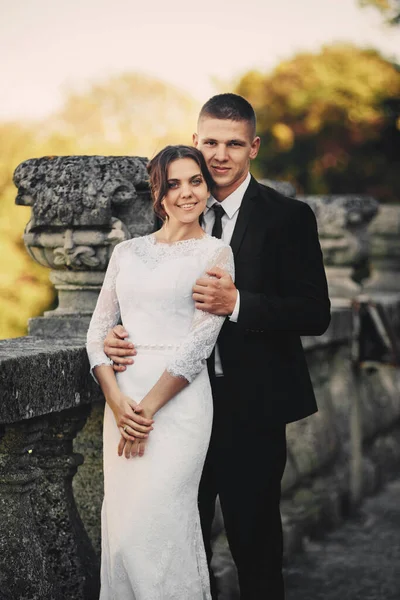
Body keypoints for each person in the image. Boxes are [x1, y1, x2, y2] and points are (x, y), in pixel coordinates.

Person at [103, 94, 331, 599]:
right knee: (178, 541)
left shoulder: (287, 217)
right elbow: (141, 291)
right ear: (195, 142)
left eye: (233, 144)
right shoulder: (174, 207)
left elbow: (315, 313)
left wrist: (239, 302)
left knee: (256, 548)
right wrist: (119, 334)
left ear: (253, 147)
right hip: (174, 408)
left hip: (252, 408)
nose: (220, 155)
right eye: (210, 142)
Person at [86, 144, 234, 600]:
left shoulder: (216, 253)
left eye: (196, 181)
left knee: (164, 524)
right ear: (158, 194)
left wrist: (145, 411)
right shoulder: (126, 252)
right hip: (123, 401)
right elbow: (96, 334)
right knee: (125, 532)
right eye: (174, 184)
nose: (187, 193)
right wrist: (117, 402)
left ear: (207, 189)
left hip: (177, 403)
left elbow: (198, 345)